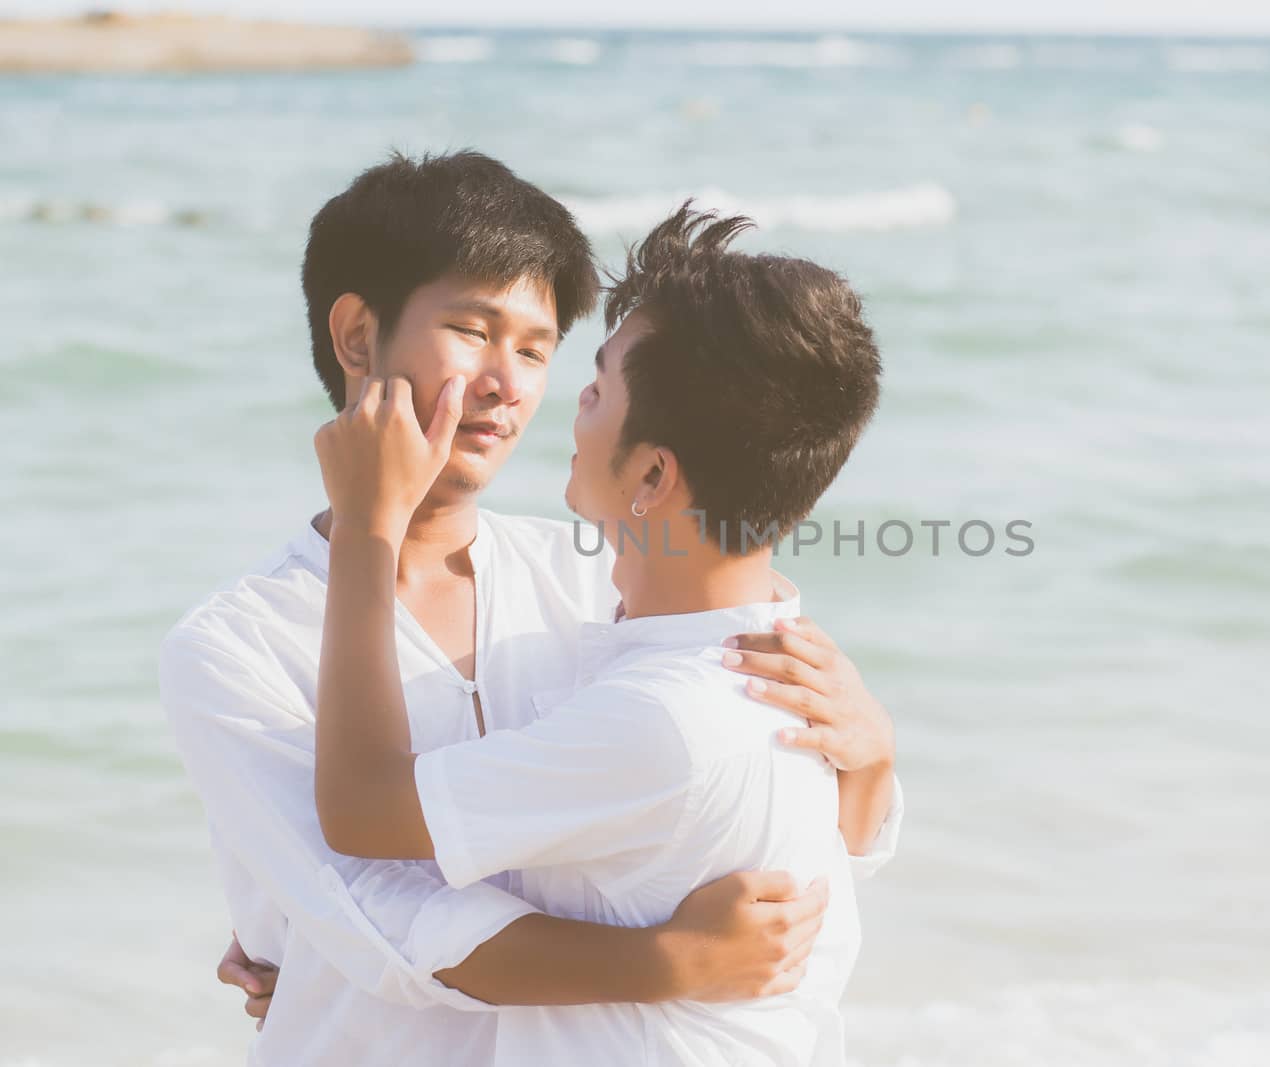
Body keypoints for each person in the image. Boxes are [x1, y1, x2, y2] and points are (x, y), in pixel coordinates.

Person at [158, 153, 902, 1067]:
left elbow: (746, 843)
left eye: (538, 350)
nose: (508, 384)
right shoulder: (236, 645)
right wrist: (667, 961)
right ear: (357, 336)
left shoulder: (604, 579)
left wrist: (865, 767)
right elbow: (378, 916)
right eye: (473, 330)